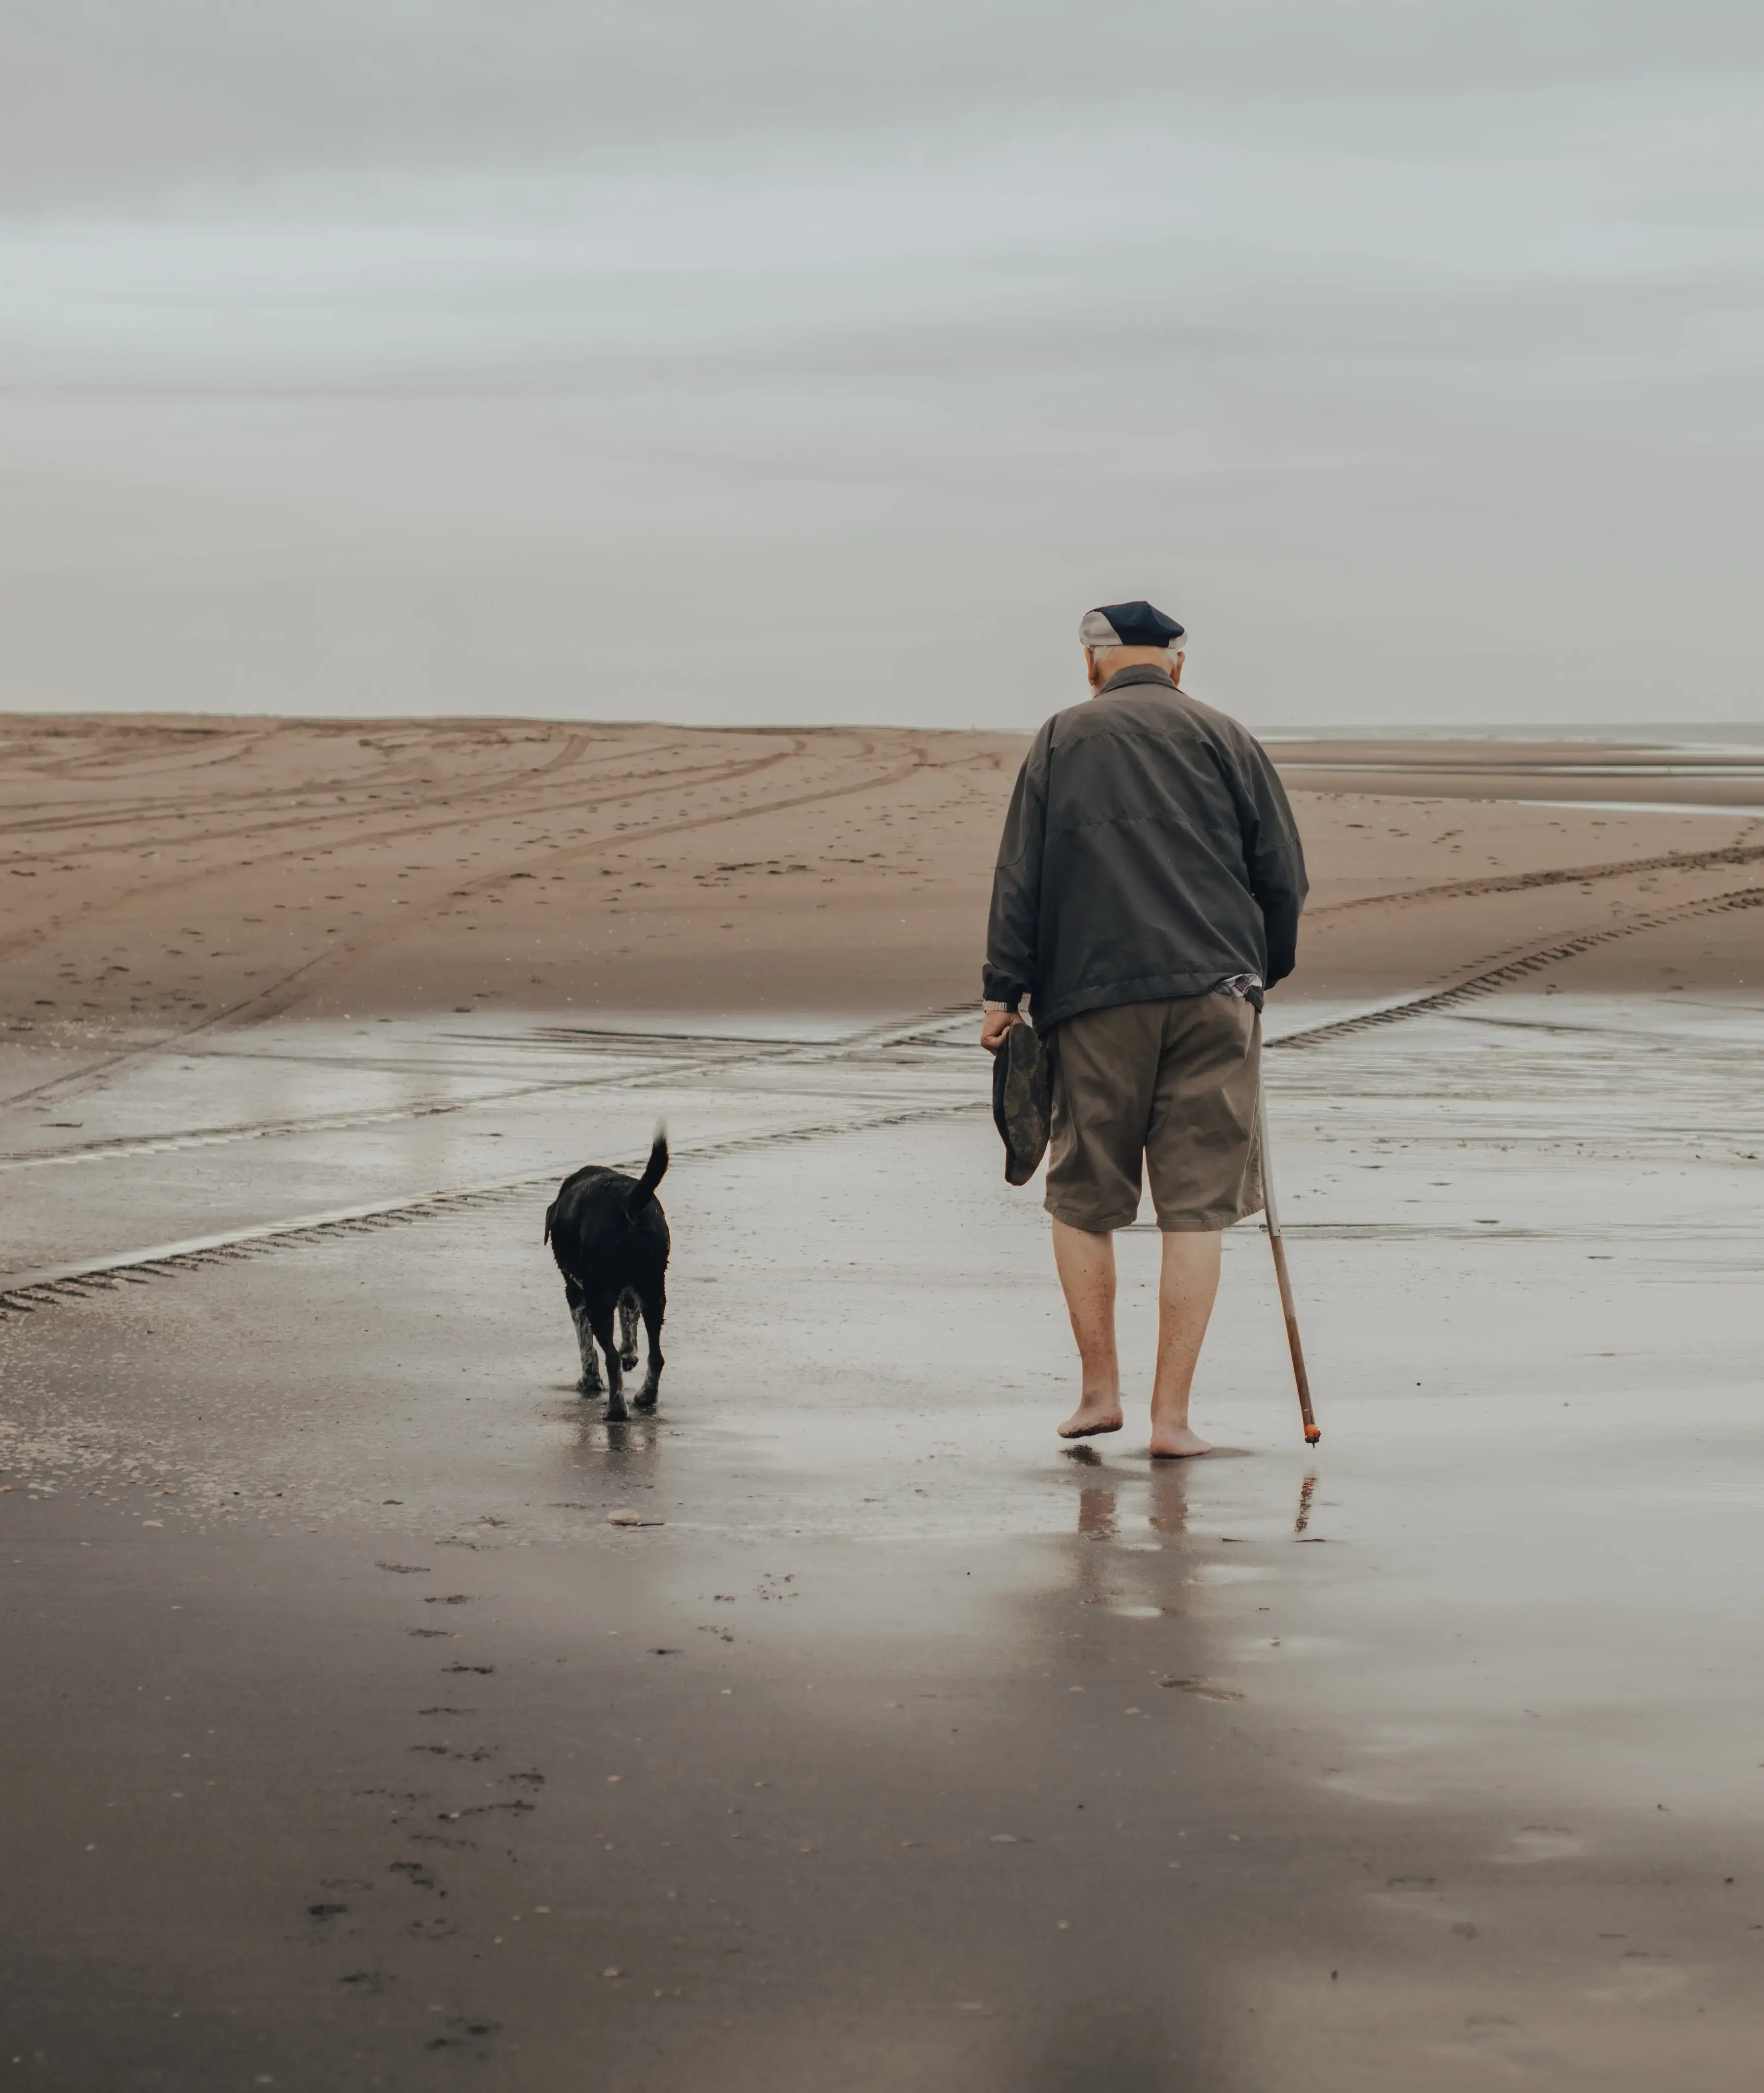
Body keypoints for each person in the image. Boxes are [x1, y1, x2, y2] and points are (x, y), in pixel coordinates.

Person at [982, 600, 1307, 1455]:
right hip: (1216, 991)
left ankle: (1098, 1394)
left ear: (1092, 661)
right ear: (1177, 664)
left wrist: (1001, 992)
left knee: (1084, 1195)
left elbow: (1021, 874)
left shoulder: (1061, 738)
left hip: (1093, 998)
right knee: (1195, 1208)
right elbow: (1282, 873)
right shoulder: (1226, 736)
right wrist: (1261, 974)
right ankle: (1171, 1422)